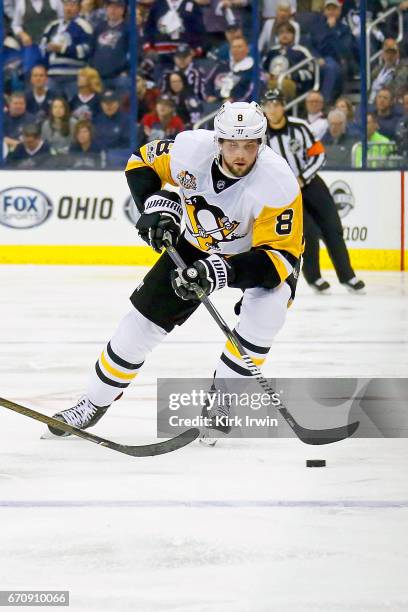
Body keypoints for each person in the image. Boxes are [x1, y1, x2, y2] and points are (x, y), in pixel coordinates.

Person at [44, 101, 303, 442]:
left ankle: (222, 404)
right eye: (232, 144)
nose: (241, 154)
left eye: (250, 145)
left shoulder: (278, 183)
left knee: (267, 314)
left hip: (255, 256)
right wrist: (156, 204)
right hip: (195, 242)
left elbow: (277, 260)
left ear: (261, 143)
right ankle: (93, 402)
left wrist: (222, 272)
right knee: (139, 324)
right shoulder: (189, 149)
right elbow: (141, 161)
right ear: (218, 142)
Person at [263, 89, 365, 293]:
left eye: (277, 104)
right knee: (307, 233)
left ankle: (348, 277)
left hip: (311, 184)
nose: (273, 109)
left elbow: (318, 155)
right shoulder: (261, 135)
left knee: (333, 228)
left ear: (283, 106)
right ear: (264, 108)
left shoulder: (299, 127)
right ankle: (314, 278)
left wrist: (302, 177)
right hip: (286, 192)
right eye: (269, 104)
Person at [40, 0, 93, 99]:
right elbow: (42, 48)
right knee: (53, 107)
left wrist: (63, 49)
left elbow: (87, 49)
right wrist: (48, 48)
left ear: (78, 7)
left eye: (72, 5)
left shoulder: (84, 26)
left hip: (74, 76)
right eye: (66, 4)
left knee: (73, 107)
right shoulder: (52, 26)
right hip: (52, 76)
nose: (69, 8)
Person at [262, 22, 314, 101]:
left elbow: (310, 72)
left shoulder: (301, 51)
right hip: (271, 82)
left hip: (292, 84)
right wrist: (266, 75)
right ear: (277, 36)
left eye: (288, 32)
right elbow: (263, 69)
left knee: (284, 84)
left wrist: (290, 76)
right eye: (281, 32)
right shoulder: (272, 52)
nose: (284, 35)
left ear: (293, 35)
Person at [91, 0, 130, 93]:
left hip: (119, 77)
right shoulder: (99, 28)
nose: (113, 10)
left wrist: (127, 71)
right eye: (110, 7)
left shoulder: (128, 29)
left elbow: (134, 53)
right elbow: (92, 50)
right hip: (99, 76)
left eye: (117, 7)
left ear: (123, 9)